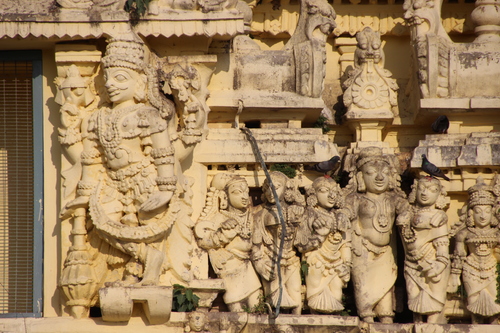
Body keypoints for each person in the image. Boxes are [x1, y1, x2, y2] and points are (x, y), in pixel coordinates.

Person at [63, 32, 177, 286]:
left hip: (144, 181)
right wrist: (84, 194)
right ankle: (149, 258)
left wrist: (167, 189)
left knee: (144, 228)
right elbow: (91, 161)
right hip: (112, 184)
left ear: (140, 82)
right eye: (107, 77)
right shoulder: (96, 118)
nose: (111, 84)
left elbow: (162, 153)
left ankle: (138, 271)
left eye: (120, 78)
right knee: (104, 224)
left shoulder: (148, 114)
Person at [343, 147, 410, 323]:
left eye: (385, 173)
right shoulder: (355, 200)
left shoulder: (395, 199)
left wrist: (406, 216)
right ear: (360, 178)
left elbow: (408, 211)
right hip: (362, 252)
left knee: (386, 295)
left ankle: (386, 320)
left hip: (387, 253)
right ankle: (367, 320)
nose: (379, 178)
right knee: (364, 294)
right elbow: (344, 214)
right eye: (371, 173)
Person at [195, 174, 262, 311]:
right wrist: (223, 234)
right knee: (235, 308)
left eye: (246, 192)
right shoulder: (220, 217)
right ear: (225, 197)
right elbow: (204, 241)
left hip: (248, 265)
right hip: (229, 266)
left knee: (256, 304)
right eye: (237, 192)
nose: (244, 196)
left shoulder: (252, 215)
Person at [295, 176, 351, 314]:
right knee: (315, 294)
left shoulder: (340, 216)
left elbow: (345, 243)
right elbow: (301, 246)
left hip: (336, 261)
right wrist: (320, 236)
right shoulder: (308, 214)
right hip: (315, 260)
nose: (331, 196)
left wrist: (347, 264)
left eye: (334, 191)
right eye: (325, 191)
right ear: (314, 194)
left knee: (336, 294)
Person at [252, 171, 304, 314]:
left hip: (291, 259)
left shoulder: (296, 211)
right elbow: (255, 246)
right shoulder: (258, 214)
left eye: (276, 187)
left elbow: (303, 240)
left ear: (287, 189)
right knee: (274, 299)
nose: (271, 191)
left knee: (296, 293)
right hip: (270, 260)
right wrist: (260, 265)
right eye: (268, 187)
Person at [449, 177, 500, 324]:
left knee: (495, 304)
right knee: (474, 304)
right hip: (471, 270)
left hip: (492, 269)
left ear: (492, 213)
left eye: (487, 211)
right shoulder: (464, 233)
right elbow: (459, 256)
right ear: (471, 213)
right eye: (478, 211)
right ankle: (474, 326)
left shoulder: (496, 233)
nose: (483, 216)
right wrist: (454, 277)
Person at [400, 177, 450, 323]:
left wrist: (440, 263)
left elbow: (442, 245)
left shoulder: (438, 217)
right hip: (411, 264)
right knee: (414, 299)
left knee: (433, 301)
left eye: (431, 190)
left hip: (432, 263)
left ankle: (431, 327)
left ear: (439, 195)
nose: (424, 193)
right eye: (421, 188)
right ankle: (417, 323)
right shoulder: (407, 213)